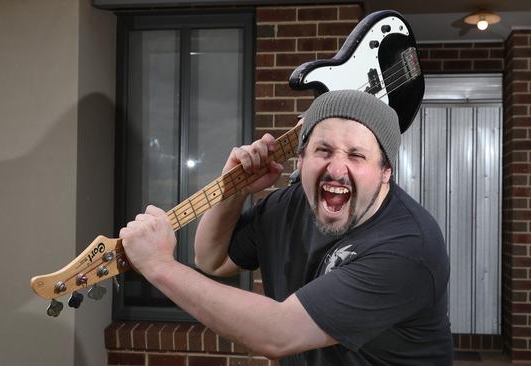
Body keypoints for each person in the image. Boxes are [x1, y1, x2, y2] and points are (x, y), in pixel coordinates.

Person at [120, 89, 454, 365]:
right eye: (323, 150)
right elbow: (212, 259)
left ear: (386, 172)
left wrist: (158, 266)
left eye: (356, 155)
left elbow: (280, 332)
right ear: (301, 160)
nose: (337, 169)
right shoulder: (289, 204)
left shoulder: (408, 246)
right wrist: (233, 189)